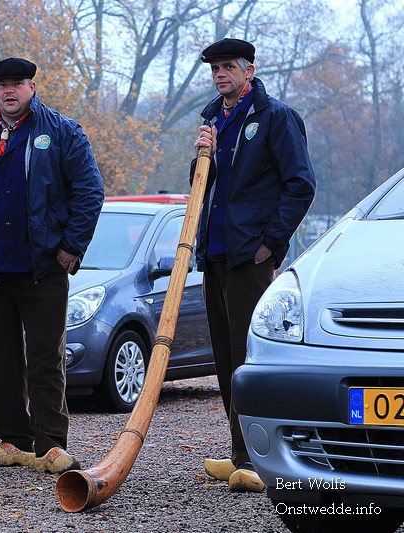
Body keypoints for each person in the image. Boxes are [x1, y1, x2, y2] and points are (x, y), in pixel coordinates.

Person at [0, 58, 104, 474]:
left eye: (16, 83)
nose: (8, 91)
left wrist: (70, 248)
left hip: (41, 267)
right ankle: (12, 439)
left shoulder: (62, 131)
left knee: (45, 359)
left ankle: (51, 446)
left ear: (32, 87)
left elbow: (90, 191)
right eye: (1, 85)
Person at [192, 39, 316, 492]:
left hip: (250, 254)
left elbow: (300, 185)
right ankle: (238, 451)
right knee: (225, 357)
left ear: (249, 70)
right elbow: (205, 185)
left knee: (249, 357)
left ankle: (257, 458)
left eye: (228, 66)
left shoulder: (276, 117)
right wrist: (201, 156)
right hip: (216, 252)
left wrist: (271, 242)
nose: (220, 75)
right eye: (215, 69)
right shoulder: (213, 119)